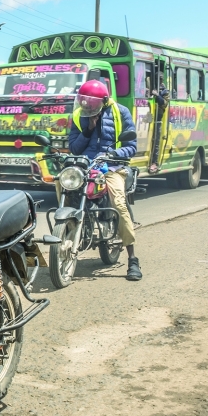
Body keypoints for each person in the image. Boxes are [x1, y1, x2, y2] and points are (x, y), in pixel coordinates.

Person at [68, 79, 141, 281]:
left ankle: (133, 259)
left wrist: (113, 153)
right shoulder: (77, 116)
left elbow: (132, 146)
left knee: (118, 202)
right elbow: (73, 148)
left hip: (112, 166)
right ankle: (69, 230)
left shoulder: (120, 112)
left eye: (91, 103)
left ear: (104, 100)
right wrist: (88, 130)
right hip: (85, 166)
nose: (87, 106)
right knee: (63, 184)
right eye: (84, 102)